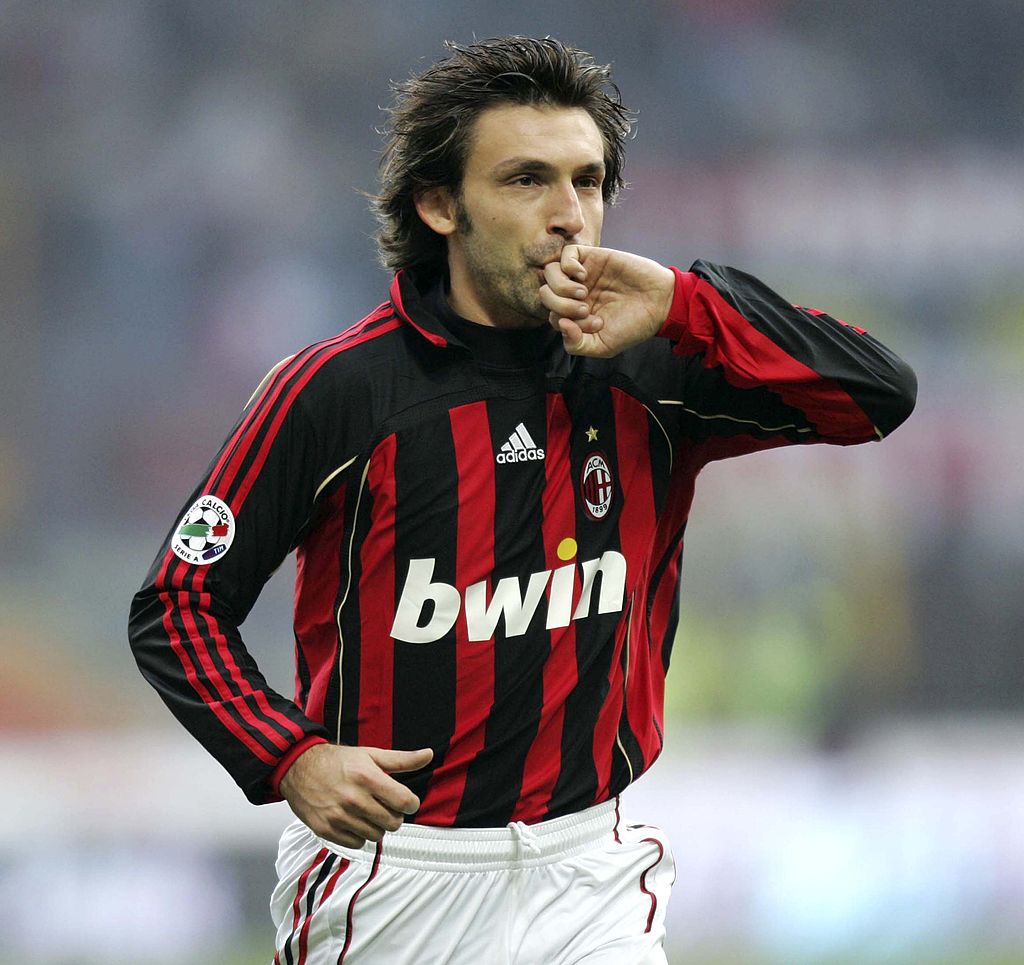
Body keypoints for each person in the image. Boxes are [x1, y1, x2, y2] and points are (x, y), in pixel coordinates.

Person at [128, 35, 916, 964]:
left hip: (592, 876)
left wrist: (683, 304)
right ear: (439, 204)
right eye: (527, 180)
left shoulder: (657, 365)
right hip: (395, 874)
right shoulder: (338, 390)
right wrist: (289, 755)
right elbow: (177, 604)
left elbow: (878, 394)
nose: (568, 215)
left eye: (588, 181)